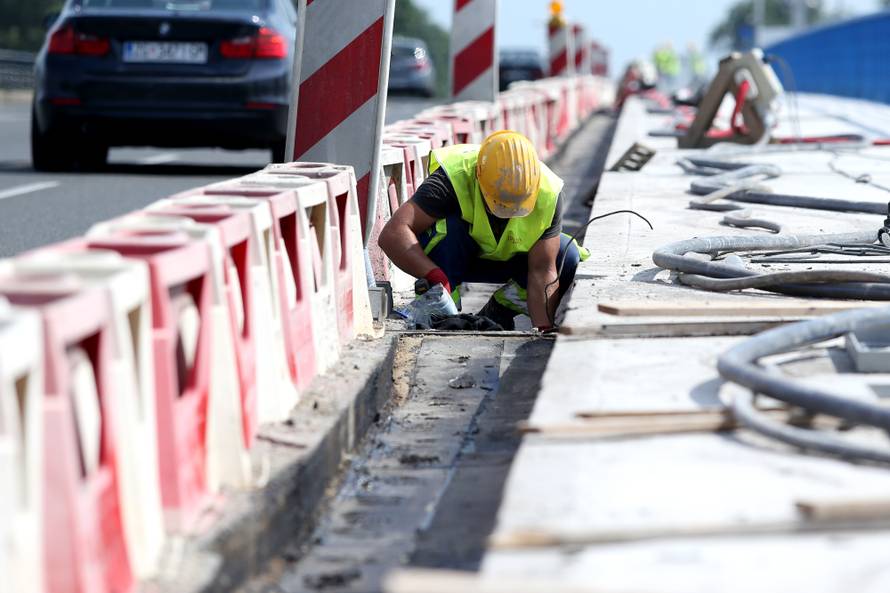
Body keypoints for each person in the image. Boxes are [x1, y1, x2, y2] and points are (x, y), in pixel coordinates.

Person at [377, 130, 588, 331]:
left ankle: (502, 307)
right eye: (500, 204)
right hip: (457, 259)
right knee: (447, 230)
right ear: (479, 177)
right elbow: (394, 234)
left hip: (513, 260)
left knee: (565, 256)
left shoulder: (548, 192)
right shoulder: (454, 177)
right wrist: (435, 276)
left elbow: (543, 271)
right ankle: (443, 314)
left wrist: (542, 329)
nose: (507, 213)